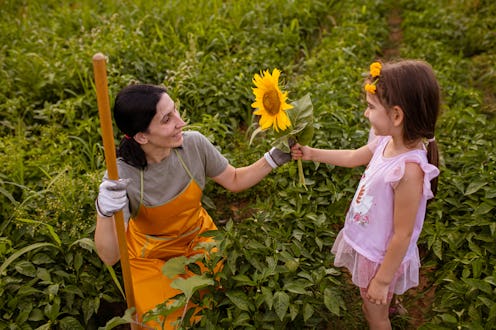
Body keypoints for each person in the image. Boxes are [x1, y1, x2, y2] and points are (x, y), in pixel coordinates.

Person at [94, 84, 291, 328]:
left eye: (175, 110)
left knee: (214, 311)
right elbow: (109, 255)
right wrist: (104, 212)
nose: (181, 122)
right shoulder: (121, 175)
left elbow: (235, 180)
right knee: (163, 321)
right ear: (142, 136)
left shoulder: (193, 145)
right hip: (151, 259)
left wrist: (272, 159)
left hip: (200, 241)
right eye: (167, 119)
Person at [291, 59, 440, 329]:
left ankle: (384, 309)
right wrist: (312, 153)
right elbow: (352, 156)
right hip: (372, 241)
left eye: (370, 107)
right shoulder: (386, 140)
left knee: (373, 313)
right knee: (378, 300)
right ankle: (389, 301)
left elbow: (403, 234)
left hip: (381, 256)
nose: (365, 114)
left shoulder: (408, 171)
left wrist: (382, 279)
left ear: (397, 116)